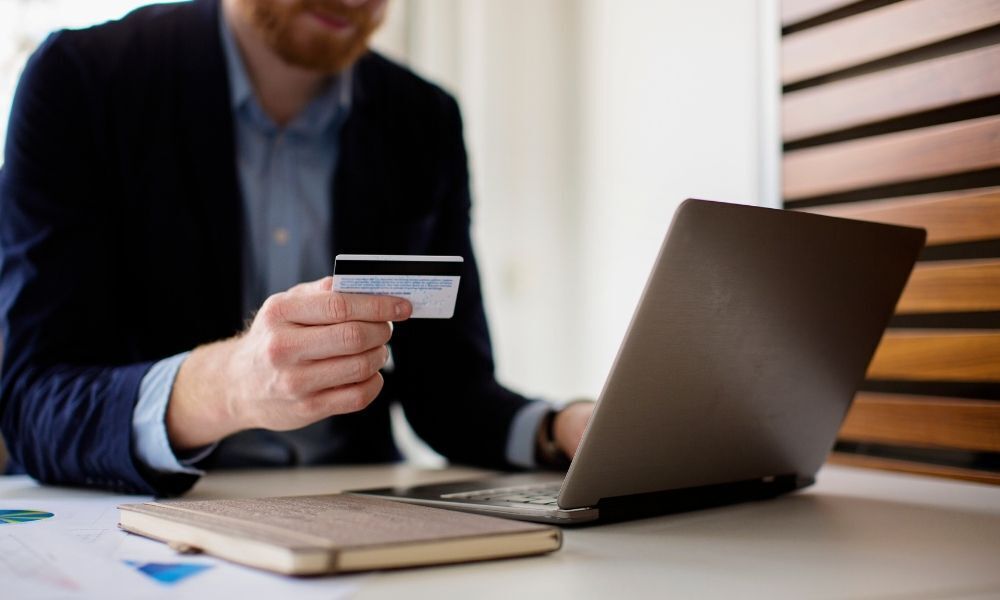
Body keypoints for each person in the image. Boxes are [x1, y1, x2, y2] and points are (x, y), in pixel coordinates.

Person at [0, 0, 594, 496]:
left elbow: (450, 385)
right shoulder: (81, 80)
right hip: (145, 517)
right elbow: (30, 399)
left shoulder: (422, 119)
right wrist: (231, 384)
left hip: (359, 511)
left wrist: (559, 428)